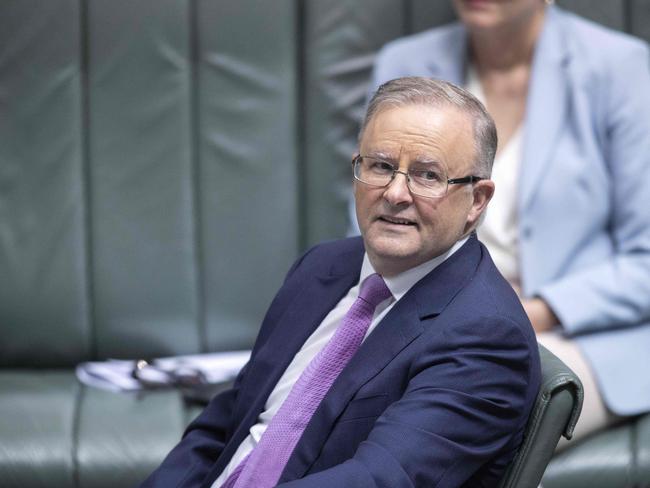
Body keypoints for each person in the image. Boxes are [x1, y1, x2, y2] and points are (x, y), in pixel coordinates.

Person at [141, 77, 541, 488]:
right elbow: (225, 424)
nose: (395, 193)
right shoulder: (321, 268)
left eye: (427, 176)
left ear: (477, 201)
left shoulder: (486, 336)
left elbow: (379, 480)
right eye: (381, 167)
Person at [363, 0, 650, 446]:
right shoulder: (405, 64)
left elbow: (646, 260)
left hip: (574, 334)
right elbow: (372, 215)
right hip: (426, 315)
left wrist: (532, 310)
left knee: (463, 423)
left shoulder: (620, 68)